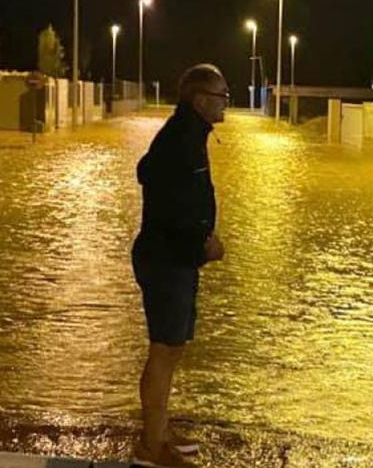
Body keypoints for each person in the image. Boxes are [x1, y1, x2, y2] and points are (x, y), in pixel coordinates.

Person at [131, 63, 229, 468]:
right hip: (168, 260)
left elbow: (147, 173)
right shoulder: (182, 140)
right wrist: (203, 245)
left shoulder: (186, 134)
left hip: (172, 259)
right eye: (222, 95)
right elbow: (174, 208)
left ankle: (158, 433)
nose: (226, 103)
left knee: (171, 349)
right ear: (200, 99)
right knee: (163, 350)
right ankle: (151, 450)